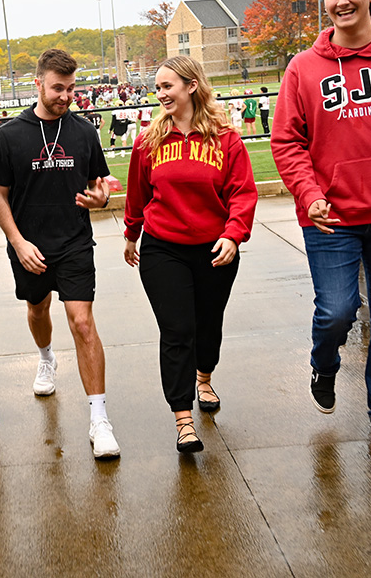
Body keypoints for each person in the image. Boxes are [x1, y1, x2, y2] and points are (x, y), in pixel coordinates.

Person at [271, 0, 371, 448]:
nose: (341, 1)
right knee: (338, 311)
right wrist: (310, 193)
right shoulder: (303, 69)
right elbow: (286, 141)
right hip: (331, 218)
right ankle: (324, 365)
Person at [123, 56, 257, 453]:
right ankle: (183, 418)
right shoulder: (148, 139)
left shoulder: (225, 138)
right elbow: (137, 194)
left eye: (168, 86)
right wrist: (131, 235)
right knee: (177, 330)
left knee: (208, 323)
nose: (161, 94)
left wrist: (234, 236)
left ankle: (204, 377)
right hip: (164, 248)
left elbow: (243, 193)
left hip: (215, 248)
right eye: (158, 88)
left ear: (192, 86)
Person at [0, 48, 120, 459]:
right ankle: (46, 358)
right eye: (57, 88)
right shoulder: (10, 135)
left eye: (71, 88)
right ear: (38, 84)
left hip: (74, 243)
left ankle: (99, 418)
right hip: (29, 245)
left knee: (82, 323)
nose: (66, 95)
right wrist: (18, 242)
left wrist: (100, 199)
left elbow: (99, 186)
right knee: (37, 309)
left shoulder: (84, 131)